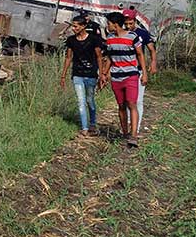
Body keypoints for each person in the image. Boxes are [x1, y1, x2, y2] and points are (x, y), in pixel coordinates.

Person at [101, 12, 147, 148]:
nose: (107, 26)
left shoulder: (132, 37)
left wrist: (144, 73)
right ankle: (125, 132)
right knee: (121, 106)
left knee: (131, 104)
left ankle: (133, 135)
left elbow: (140, 54)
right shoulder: (109, 39)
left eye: (108, 23)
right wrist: (104, 73)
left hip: (131, 75)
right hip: (116, 77)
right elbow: (109, 57)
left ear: (115, 25)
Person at [61, 15, 104, 137]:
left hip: (91, 74)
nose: (73, 28)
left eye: (76, 26)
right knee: (81, 101)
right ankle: (84, 127)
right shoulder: (71, 41)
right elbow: (68, 58)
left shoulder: (94, 39)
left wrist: (101, 74)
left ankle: (93, 123)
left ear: (83, 26)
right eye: (73, 26)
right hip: (77, 74)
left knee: (90, 100)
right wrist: (63, 75)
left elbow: (99, 57)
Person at [123, 9, 157, 132]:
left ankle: (135, 128)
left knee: (138, 100)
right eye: (126, 24)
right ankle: (127, 125)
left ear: (135, 21)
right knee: (127, 100)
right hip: (125, 71)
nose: (128, 26)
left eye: (130, 23)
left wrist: (153, 63)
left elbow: (151, 50)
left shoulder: (142, 34)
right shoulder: (122, 34)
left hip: (138, 70)